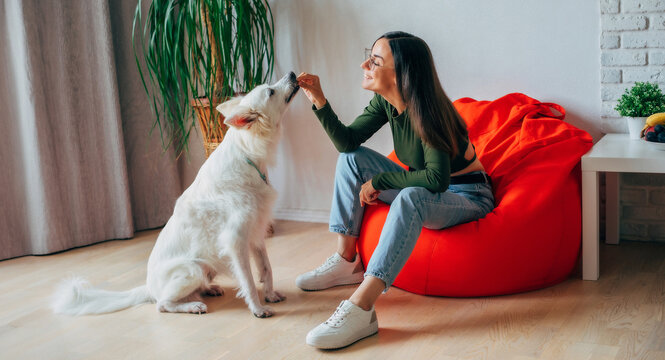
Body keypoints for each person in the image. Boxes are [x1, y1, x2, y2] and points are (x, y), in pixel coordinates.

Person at [296, 31, 495, 349]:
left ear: (402, 73)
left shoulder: (431, 113)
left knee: (411, 195)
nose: (365, 64)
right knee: (352, 158)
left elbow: (435, 182)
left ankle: (362, 308)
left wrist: (381, 181)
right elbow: (348, 142)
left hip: (467, 195)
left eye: (375, 60)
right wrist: (318, 99)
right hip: (429, 184)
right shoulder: (385, 102)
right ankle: (347, 261)